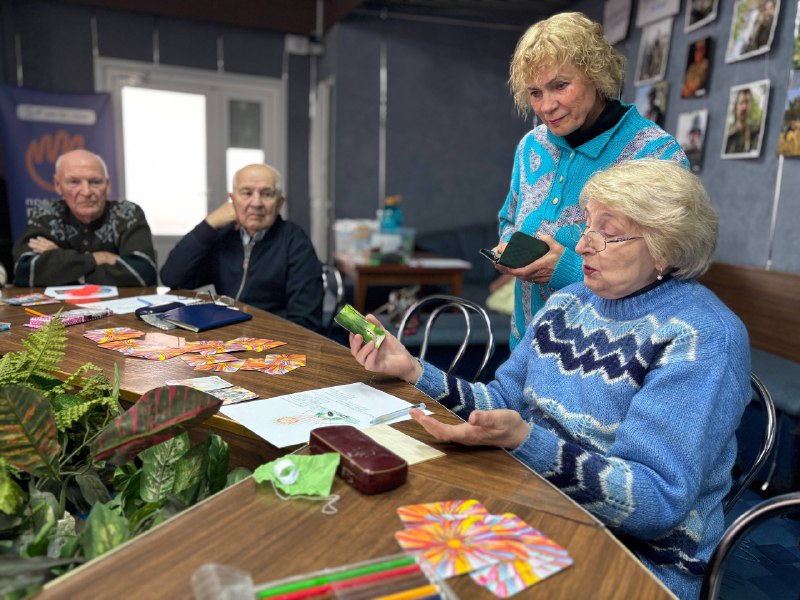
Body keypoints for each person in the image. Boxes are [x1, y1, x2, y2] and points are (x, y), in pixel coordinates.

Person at [348, 160, 751, 600]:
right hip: (537, 503)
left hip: (635, 560)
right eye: (587, 227)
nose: (581, 246)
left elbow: (655, 502)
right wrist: (411, 369)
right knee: (381, 546)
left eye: (607, 233)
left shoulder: (703, 336)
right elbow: (501, 400)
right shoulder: (570, 301)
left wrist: (525, 441)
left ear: (666, 250)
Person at [493, 12, 687, 349]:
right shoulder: (531, 147)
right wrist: (511, 247)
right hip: (525, 351)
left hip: (607, 363)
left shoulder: (656, 155)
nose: (547, 106)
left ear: (596, 76)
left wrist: (566, 269)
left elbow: (672, 273)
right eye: (535, 92)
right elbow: (509, 218)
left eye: (560, 86)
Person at [160, 163, 323, 331]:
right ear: (233, 199)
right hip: (225, 334)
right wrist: (209, 224)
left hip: (273, 342)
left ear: (279, 203)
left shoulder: (295, 242)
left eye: (266, 194)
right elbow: (172, 277)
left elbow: (305, 321)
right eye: (247, 193)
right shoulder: (224, 237)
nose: (256, 202)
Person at [12, 149, 157, 286]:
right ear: (58, 185)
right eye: (74, 182)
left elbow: (142, 273)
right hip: (59, 310)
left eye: (95, 182)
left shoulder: (128, 212)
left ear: (107, 185)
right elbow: (25, 271)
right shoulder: (46, 213)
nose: (86, 192)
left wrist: (60, 261)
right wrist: (97, 258)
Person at [725, 88, 761, 155]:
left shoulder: (756, 132)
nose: (744, 107)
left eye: (747, 102)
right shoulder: (728, 136)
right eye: (741, 102)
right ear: (736, 106)